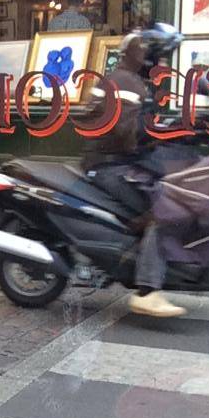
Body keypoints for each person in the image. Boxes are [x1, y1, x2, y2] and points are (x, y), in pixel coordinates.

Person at [81, 29, 186, 317]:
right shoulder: (127, 83)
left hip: (108, 161)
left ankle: (138, 255)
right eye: (159, 58)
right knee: (165, 208)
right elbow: (125, 133)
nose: (162, 64)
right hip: (111, 166)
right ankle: (147, 291)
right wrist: (159, 137)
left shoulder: (121, 78)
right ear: (144, 57)